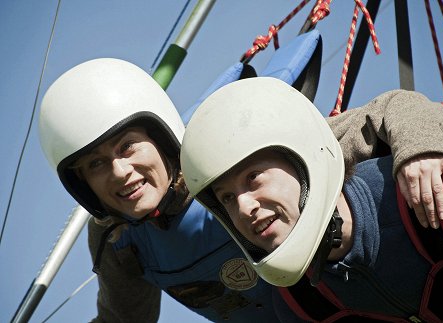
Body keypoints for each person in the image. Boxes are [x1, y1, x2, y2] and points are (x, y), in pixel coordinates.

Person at [38, 58, 307, 322]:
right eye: (96, 164)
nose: (120, 172)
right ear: (83, 185)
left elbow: (331, 144)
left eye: (127, 146)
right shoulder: (116, 238)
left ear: (161, 140)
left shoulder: (230, 157)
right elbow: (123, 318)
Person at [180, 77, 443, 322]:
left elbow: (395, 105)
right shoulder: (301, 305)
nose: (243, 207)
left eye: (253, 177)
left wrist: (418, 148)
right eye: (227, 198)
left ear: (303, 160)